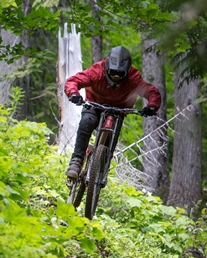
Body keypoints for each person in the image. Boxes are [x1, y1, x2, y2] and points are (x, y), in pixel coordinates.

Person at [63, 46, 162, 179]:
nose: (116, 77)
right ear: (107, 68)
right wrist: (74, 94)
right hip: (95, 104)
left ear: (127, 72)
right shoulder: (97, 71)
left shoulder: (133, 78)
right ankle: (76, 161)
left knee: (111, 137)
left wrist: (152, 106)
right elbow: (74, 81)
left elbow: (151, 92)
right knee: (87, 122)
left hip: (118, 109)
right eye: (113, 73)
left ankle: (101, 170)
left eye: (120, 74)